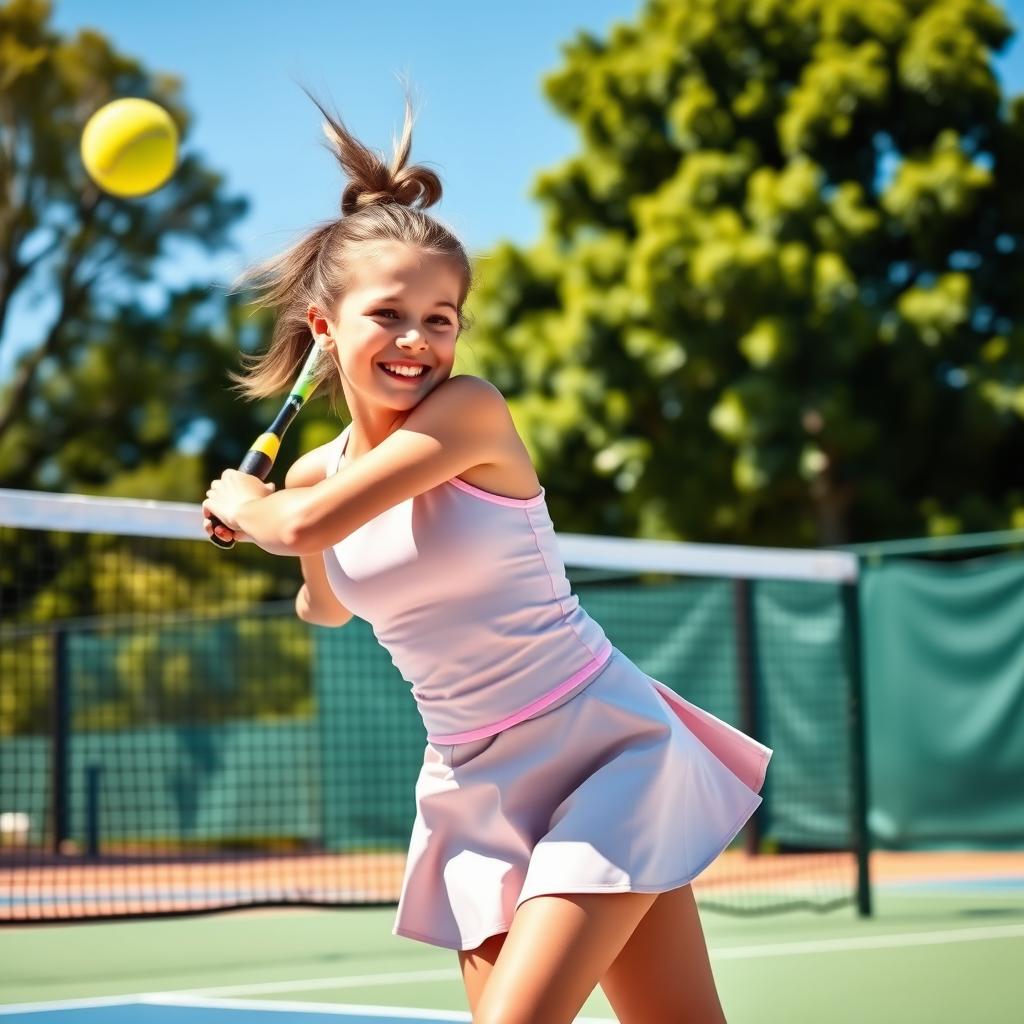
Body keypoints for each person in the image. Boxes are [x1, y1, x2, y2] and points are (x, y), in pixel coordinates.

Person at [202, 85, 772, 1024]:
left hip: (601, 746)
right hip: (473, 781)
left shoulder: (470, 414)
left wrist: (248, 505)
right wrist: (280, 524)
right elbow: (329, 600)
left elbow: (301, 532)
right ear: (325, 330)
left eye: (442, 316)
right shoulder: (313, 478)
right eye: (389, 314)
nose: (419, 339)